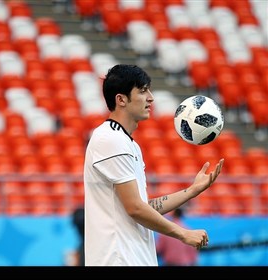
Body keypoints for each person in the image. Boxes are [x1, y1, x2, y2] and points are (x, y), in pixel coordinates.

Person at [83, 64, 224, 266]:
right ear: (121, 99)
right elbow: (135, 209)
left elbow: (143, 207)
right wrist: (183, 233)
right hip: (117, 260)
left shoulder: (127, 143)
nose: (151, 97)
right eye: (142, 91)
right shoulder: (110, 139)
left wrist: (192, 191)